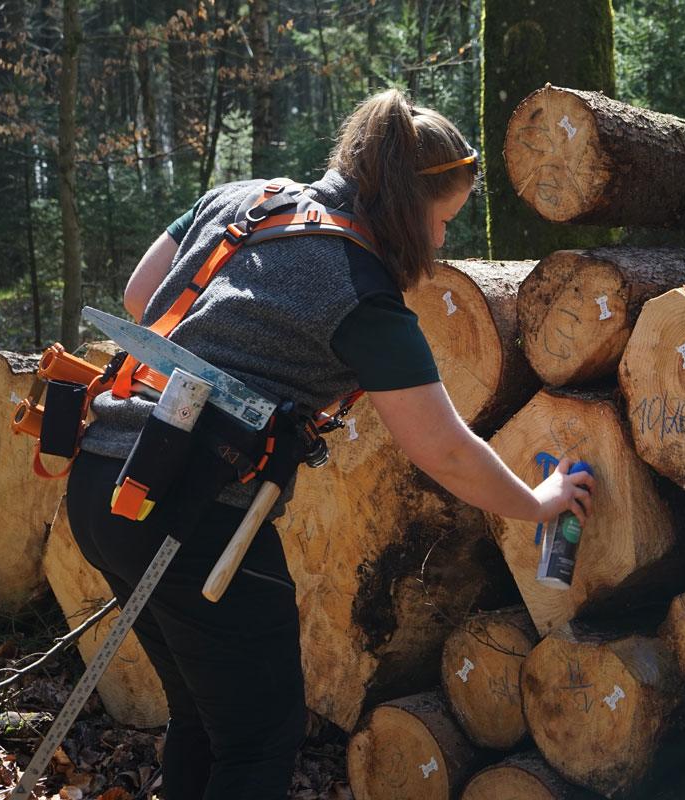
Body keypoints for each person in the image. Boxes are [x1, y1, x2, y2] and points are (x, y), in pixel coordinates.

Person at [65, 88, 594, 800]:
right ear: (407, 204)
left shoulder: (245, 199)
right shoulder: (362, 294)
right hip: (189, 512)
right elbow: (444, 449)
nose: (441, 243)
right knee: (259, 739)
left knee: (207, 717)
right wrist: (538, 502)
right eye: (442, 222)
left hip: (102, 476)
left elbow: (141, 295)